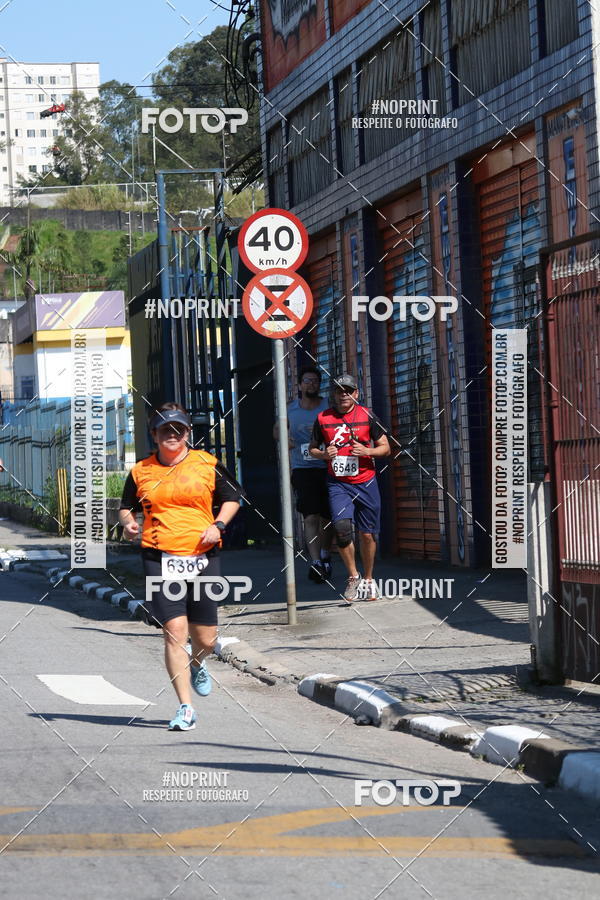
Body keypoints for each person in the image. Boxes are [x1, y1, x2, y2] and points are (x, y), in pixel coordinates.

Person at [118, 402, 243, 731]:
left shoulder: (207, 463)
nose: (172, 436)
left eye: (178, 430)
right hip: (159, 557)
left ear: (188, 433)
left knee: (206, 637)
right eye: (164, 431)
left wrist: (218, 525)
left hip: (203, 556)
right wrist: (129, 523)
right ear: (154, 435)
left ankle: (198, 663)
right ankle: (185, 707)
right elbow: (125, 507)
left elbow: (233, 498)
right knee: (174, 632)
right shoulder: (141, 470)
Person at [309, 374, 390, 602]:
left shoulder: (367, 415)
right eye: (339, 390)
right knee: (342, 528)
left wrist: (368, 452)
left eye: (348, 390)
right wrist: (324, 454)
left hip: (366, 481)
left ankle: (369, 579)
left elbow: (386, 448)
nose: (343, 394)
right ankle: (353, 577)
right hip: (339, 483)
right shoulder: (323, 418)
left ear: (356, 394)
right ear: (333, 395)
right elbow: (312, 448)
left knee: (367, 534)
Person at [274, 365, 333, 583]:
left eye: (315, 381)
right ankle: (316, 562)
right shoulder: (291, 409)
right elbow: (276, 430)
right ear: (299, 385)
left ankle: (326, 554)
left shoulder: (328, 407)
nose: (311, 384)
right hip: (303, 469)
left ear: (319, 385)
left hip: (328, 468)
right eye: (307, 381)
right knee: (310, 516)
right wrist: (284, 438)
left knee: (329, 518)